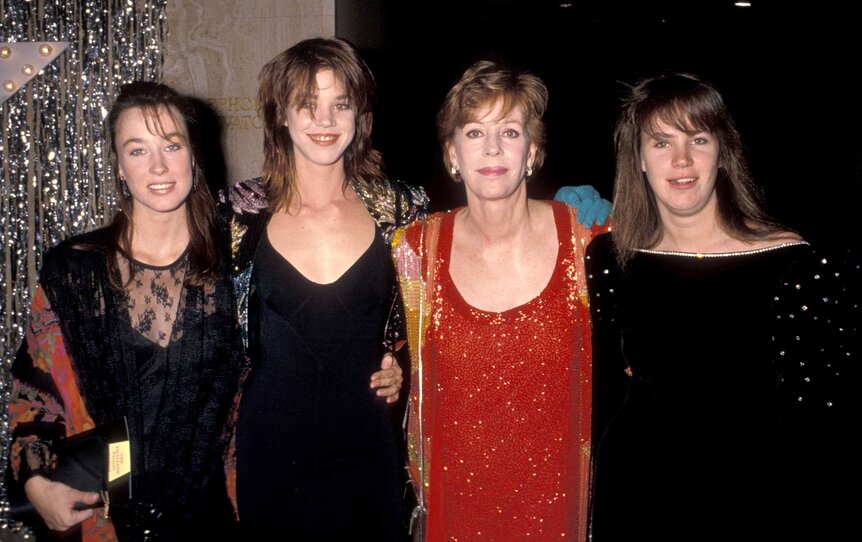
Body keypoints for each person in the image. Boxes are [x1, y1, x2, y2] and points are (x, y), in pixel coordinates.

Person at [585, 73, 858, 540]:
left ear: (723, 153)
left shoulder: (797, 262)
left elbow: (822, 423)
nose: (682, 159)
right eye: (660, 142)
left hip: (757, 499)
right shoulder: (610, 258)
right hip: (636, 493)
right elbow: (600, 389)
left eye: (698, 138)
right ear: (639, 161)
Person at [6, 82, 241, 540]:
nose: (158, 166)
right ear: (118, 164)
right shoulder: (73, 270)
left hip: (212, 522)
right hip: (102, 523)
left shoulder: (239, 267)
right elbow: (34, 395)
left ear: (194, 154)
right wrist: (35, 484)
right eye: (137, 150)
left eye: (172, 145)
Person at [392, 60, 608, 541]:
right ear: (452, 153)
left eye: (510, 132)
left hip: (562, 515)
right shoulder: (413, 251)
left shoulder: (589, 239)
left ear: (533, 151)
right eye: (474, 133)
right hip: (454, 517)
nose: (492, 148)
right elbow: (381, 359)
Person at [219, 37, 425, 540]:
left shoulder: (402, 211)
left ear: (360, 114)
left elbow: (437, 320)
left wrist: (405, 364)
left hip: (369, 451)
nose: (325, 120)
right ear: (281, 117)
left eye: (340, 104)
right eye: (307, 106)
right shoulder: (236, 215)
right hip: (270, 453)